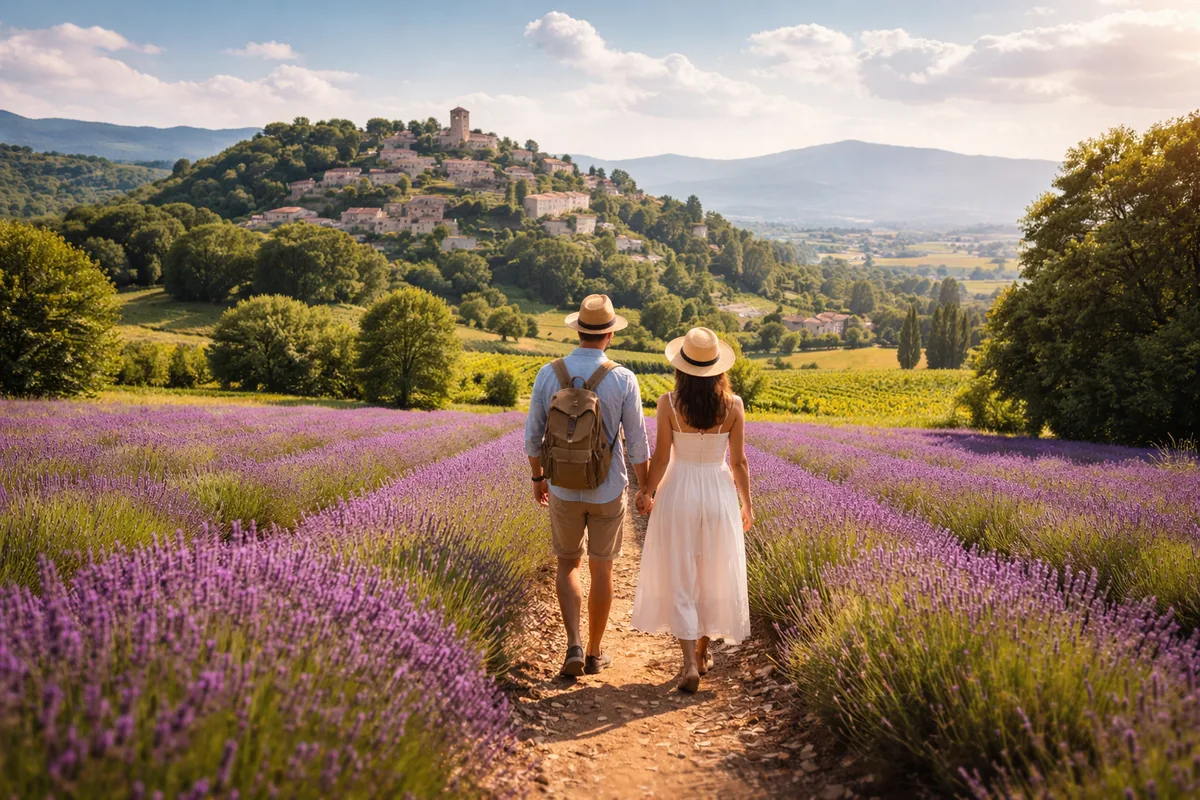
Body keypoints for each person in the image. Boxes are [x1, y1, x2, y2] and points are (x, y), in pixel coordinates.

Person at [525, 294, 650, 678]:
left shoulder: (549, 373)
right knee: (602, 570)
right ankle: (595, 653)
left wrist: (538, 478)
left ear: (578, 329)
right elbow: (639, 443)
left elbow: (532, 438)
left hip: (561, 485)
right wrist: (645, 489)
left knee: (567, 565)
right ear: (609, 334)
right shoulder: (623, 377)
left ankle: (573, 645)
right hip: (608, 488)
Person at [630, 326, 753, 693]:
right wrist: (747, 504)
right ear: (719, 368)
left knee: (681, 573)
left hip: (679, 489)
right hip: (717, 493)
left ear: (682, 367)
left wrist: (647, 492)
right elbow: (739, 462)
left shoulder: (669, 403)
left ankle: (687, 665)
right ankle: (702, 653)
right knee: (711, 571)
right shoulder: (734, 405)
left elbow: (663, 455)